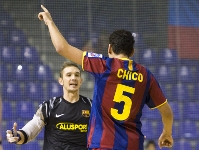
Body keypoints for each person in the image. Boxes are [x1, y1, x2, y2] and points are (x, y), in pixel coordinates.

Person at [38, 5, 174, 150]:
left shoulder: (104, 65)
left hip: (103, 145)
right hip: (133, 145)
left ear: (109, 49)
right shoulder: (146, 76)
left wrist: (49, 22)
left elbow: (62, 48)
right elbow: (167, 112)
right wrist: (167, 133)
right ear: (132, 52)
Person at [6, 62, 92, 150]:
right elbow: (30, 131)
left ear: (81, 80)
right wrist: (17, 136)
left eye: (77, 75)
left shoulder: (92, 106)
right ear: (61, 81)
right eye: (69, 75)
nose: (73, 78)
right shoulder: (49, 106)